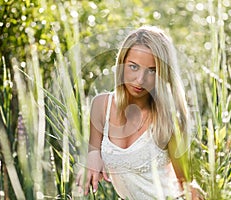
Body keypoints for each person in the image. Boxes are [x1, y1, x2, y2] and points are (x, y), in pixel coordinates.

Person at [76, 26, 203, 199]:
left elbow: (186, 185)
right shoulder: (101, 106)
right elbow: (93, 150)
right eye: (133, 67)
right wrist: (92, 159)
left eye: (152, 70)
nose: (140, 80)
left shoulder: (168, 119)